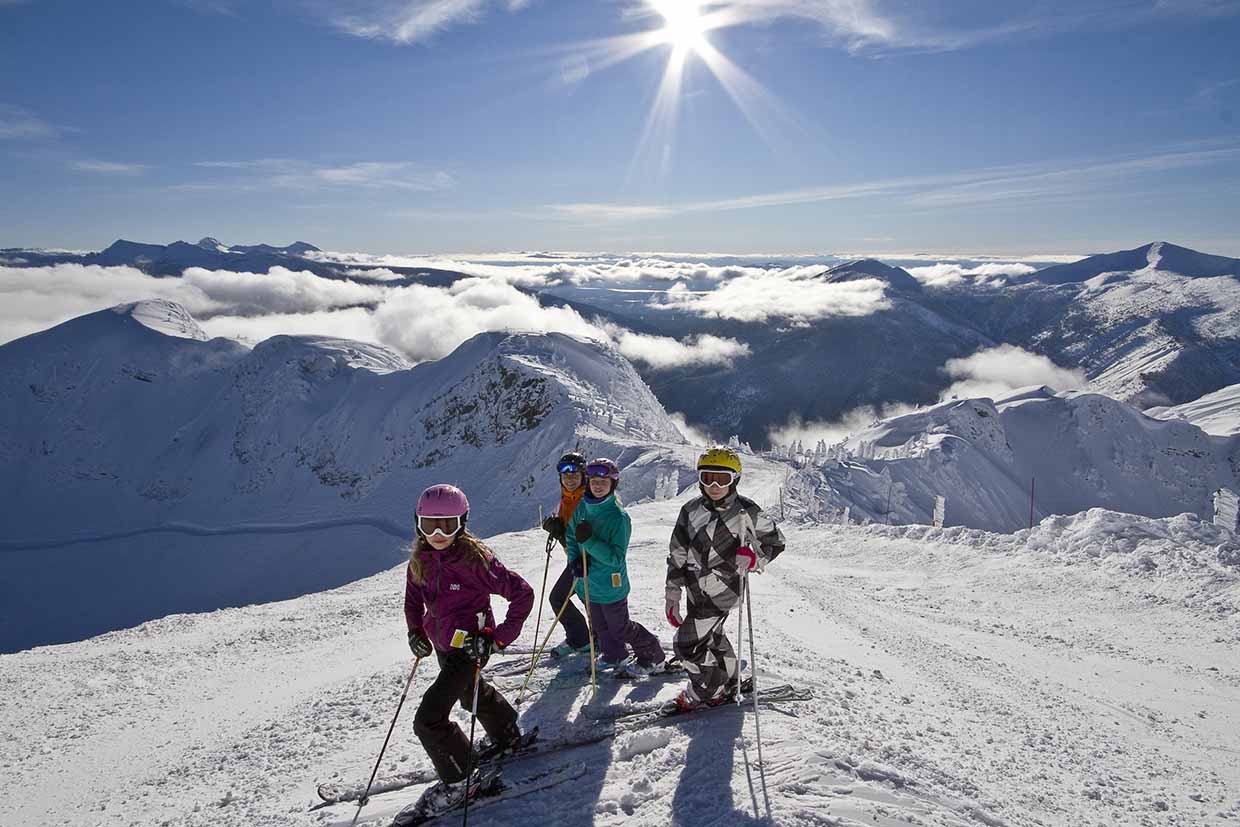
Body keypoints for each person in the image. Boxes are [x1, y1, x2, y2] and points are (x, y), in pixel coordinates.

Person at [404, 484, 534, 815]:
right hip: (443, 645)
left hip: (470, 648)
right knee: (471, 692)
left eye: (446, 525)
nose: (436, 533)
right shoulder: (420, 559)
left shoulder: (475, 561)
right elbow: (412, 599)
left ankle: (462, 782)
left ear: (462, 522)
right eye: (427, 524)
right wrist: (415, 631)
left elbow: (523, 593)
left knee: (429, 720)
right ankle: (507, 734)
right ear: (417, 523)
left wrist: (497, 637)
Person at [665, 446, 785, 711]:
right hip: (695, 587)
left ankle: (707, 691)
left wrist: (754, 559)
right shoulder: (690, 510)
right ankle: (729, 682)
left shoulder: (747, 512)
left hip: (724, 590)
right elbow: (677, 553)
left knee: (686, 645)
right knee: (713, 637)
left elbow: (775, 542)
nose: (715, 485)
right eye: (708, 478)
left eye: (723, 478)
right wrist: (672, 593)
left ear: (735, 479)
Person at [565, 457, 666, 678]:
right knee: (600, 625)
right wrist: (574, 560)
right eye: (594, 481)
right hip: (589, 582)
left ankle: (653, 654)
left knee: (620, 627)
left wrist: (590, 542)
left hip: (611, 584)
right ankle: (614, 655)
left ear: (613, 485)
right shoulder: (582, 507)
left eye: (604, 481)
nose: (598, 486)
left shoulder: (619, 518)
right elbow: (572, 536)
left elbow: (616, 558)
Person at [540, 451, 593, 658]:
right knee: (560, 597)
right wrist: (558, 528)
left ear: (583, 477)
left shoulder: (589, 500)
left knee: (592, 601)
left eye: (574, 475)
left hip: (591, 561)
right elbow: (570, 536)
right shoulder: (567, 499)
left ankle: (599, 639)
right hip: (576, 560)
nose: (570, 479)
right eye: (565, 475)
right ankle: (582, 639)